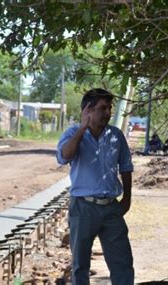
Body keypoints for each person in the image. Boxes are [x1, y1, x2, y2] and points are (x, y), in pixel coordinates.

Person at [56, 88, 134, 285]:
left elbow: (126, 167)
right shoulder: (73, 133)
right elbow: (64, 157)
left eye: (109, 108)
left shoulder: (116, 136)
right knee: (80, 265)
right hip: (83, 208)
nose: (108, 113)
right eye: (102, 108)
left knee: (122, 263)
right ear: (88, 111)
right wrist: (82, 129)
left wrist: (126, 199)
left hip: (111, 208)